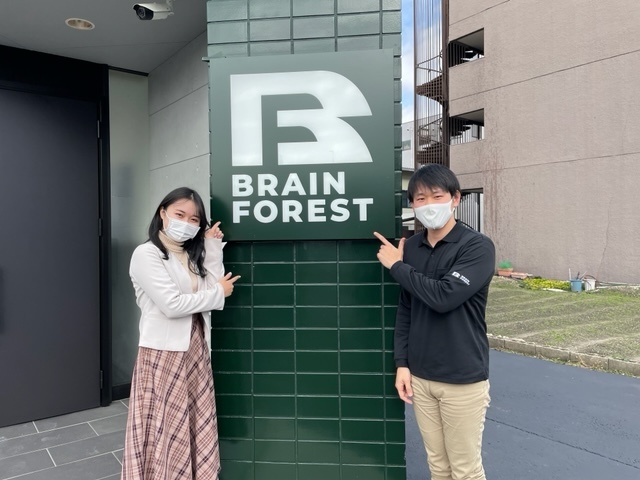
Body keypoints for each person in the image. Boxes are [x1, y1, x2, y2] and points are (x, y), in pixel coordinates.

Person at [374, 164, 495, 480]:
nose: (428, 205)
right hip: (421, 377)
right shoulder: (412, 247)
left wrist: (397, 267)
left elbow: (445, 297)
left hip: (462, 377)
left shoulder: (476, 246)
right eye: (420, 199)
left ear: (455, 199)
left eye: (437, 196)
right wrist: (402, 363)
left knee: (465, 470)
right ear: (412, 205)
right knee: (438, 466)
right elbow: (406, 308)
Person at [121, 187, 240, 480]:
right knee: (165, 427)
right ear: (163, 213)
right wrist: (218, 293)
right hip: (163, 354)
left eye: (194, 219)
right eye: (180, 214)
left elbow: (211, 285)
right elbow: (172, 305)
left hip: (194, 350)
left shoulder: (187, 255)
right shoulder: (146, 254)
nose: (186, 223)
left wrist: (212, 248)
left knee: (192, 421)